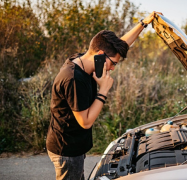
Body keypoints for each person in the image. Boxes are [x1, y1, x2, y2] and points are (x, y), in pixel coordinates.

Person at [46, 11, 160, 180]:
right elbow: (85, 122)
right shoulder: (73, 79)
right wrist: (104, 91)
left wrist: (143, 24)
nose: (113, 68)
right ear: (100, 55)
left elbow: (121, 45)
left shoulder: (84, 60)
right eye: (113, 63)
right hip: (67, 149)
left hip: (75, 143)